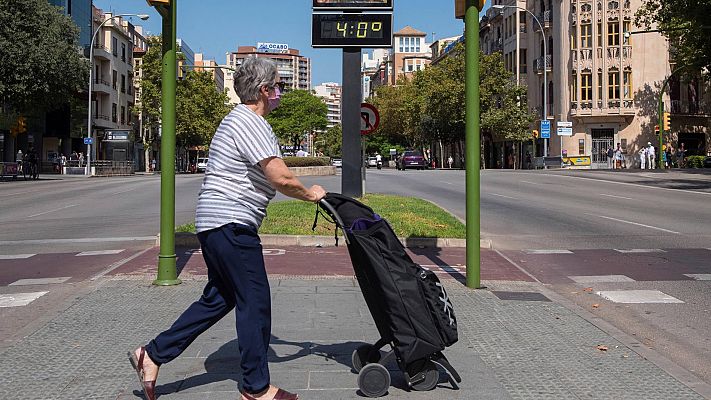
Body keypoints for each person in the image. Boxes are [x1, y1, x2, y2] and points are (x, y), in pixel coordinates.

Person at [128, 58, 323, 400]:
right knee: (256, 300)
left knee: (220, 298)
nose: (279, 93)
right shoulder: (250, 122)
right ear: (264, 91)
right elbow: (279, 176)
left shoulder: (238, 121)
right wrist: (311, 195)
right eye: (277, 86)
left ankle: (153, 354)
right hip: (231, 222)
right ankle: (255, 387)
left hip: (215, 224)